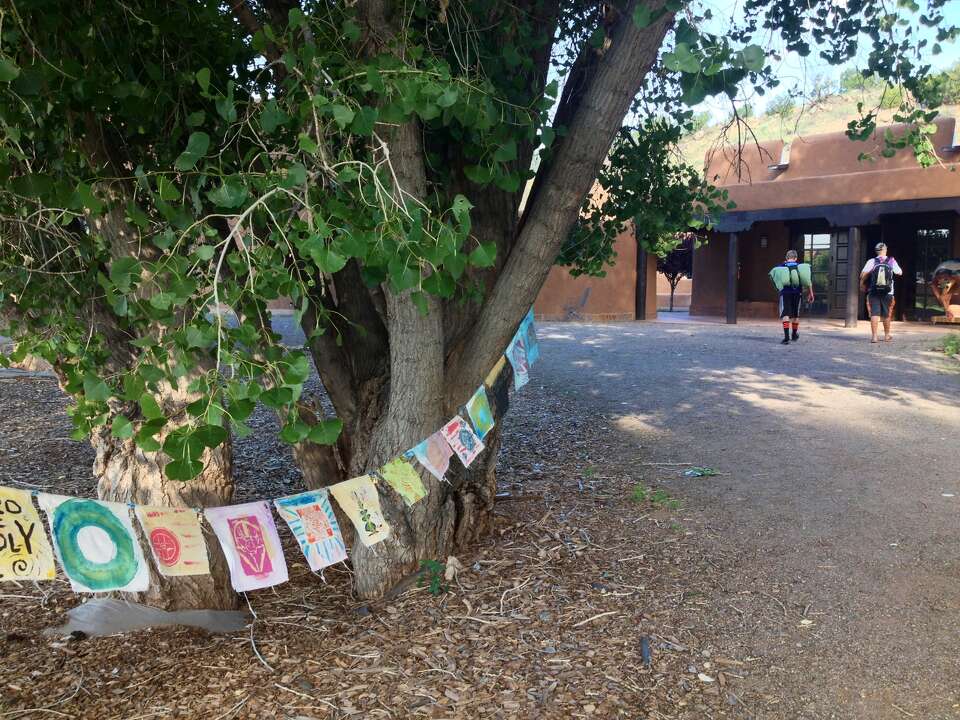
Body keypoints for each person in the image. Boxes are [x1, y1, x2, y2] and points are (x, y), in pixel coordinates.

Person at [768, 250, 815, 344]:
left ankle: (786, 338)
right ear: (796, 258)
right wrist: (811, 293)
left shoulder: (781, 267)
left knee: (785, 314)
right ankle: (794, 334)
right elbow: (808, 280)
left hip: (785, 293)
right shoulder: (800, 267)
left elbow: (773, 277)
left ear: (786, 257)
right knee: (795, 314)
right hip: (797, 293)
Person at [859, 242, 902, 343]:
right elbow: (900, 272)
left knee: (874, 313)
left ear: (876, 251)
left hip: (874, 291)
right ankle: (886, 335)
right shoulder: (891, 260)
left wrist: (862, 283)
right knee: (886, 314)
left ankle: (874, 337)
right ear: (885, 250)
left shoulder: (872, 261)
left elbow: (862, 275)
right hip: (888, 292)